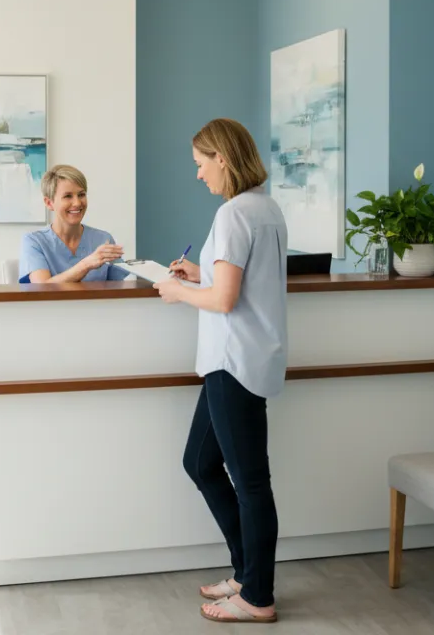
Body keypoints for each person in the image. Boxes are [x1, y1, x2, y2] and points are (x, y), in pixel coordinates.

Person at [153, 118, 288, 625]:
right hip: (243, 360)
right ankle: (247, 573)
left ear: (222, 159)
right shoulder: (267, 208)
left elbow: (226, 299)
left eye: (200, 163)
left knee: (251, 483)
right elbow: (238, 280)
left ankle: (258, 597)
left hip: (233, 363)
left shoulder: (233, 213)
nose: (198, 174)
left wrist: (177, 290)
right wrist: (200, 273)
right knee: (201, 463)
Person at [18, 164, 128, 283]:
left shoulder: (103, 239)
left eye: (81, 194)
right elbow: (42, 288)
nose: (77, 203)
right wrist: (86, 264)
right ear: (49, 203)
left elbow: (118, 291)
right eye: (68, 196)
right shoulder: (34, 241)